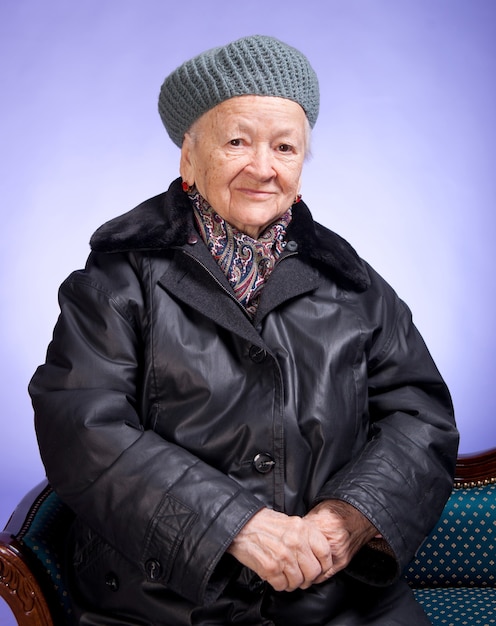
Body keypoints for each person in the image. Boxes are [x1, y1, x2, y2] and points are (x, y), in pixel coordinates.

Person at [29, 35, 459, 625]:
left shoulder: (355, 286)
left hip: (337, 603)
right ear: (188, 157)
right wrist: (234, 525)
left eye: (285, 147)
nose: (264, 168)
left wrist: (349, 517)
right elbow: (81, 426)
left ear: (302, 167)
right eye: (237, 142)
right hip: (164, 605)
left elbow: (420, 415)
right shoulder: (116, 280)